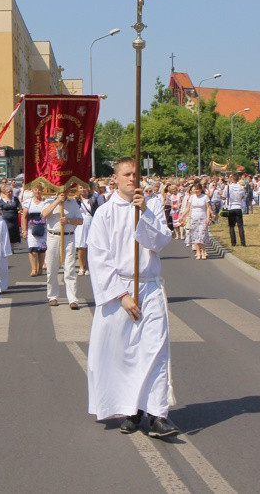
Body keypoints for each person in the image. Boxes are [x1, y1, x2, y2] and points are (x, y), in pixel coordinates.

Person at [86, 157, 178, 438]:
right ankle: (131, 410)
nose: (132, 179)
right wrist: (122, 296)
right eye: (127, 174)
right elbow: (99, 259)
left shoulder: (150, 207)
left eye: (136, 174)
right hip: (120, 291)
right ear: (115, 178)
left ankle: (158, 414)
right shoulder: (105, 213)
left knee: (154, 351)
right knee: (124, 354)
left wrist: (145, 214)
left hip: (149, 287)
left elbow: (160, 242)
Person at [41, 188, 83, 309]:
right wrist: (57, 202)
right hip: (53, 236)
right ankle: (53, 296)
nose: (64, 193)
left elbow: (80, 221)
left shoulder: (73, 203)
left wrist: (68, 220)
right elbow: (44, 215)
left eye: (65, 191)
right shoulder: (49, 200)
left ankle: (73, 299)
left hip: (68, 237)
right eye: (61, 191)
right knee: (52, 267)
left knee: (69, 268)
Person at [183, 181, 213, 260]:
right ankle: (198, 252)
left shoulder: (205, 197)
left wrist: (208, 218)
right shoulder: (192, 197)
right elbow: (188, 207)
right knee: (196, 237)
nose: (196, 191)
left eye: (198, 189)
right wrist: (182, 216)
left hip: (202, 218)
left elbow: (208, 208)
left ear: (201, 189)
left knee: (202, 236)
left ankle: (203, 251)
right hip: (194, 218)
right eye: (195, 189)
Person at [23, 186, 47, 277]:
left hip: (43, 228)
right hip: (31, 228)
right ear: (32, 190)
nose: (38, 192)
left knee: (41, 250)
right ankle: (33, 269)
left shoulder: (45, 202)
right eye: (36, 190)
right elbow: (24, 217)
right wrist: (24, 230)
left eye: (40, 190)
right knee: (33, 249)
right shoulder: (28, 202)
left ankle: (40, 268)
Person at [74, 184, 97, 276]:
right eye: (81, 188)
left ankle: (88, 266)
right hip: (80, 223)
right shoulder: (76, 200)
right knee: (81, 246)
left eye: (84, 188)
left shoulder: (93, 199)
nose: (83, 190)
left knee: (89, 246)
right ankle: (81, 266)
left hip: (90, 222)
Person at [224, 173, 246, 246]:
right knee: (240, 226)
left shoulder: (228, 187)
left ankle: (233, 242)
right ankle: (243, 242)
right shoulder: (241, 187)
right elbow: (242, 196)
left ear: (232, 179)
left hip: (231, 207)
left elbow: (224, 196)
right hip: (238, 207)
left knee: (231, 226)